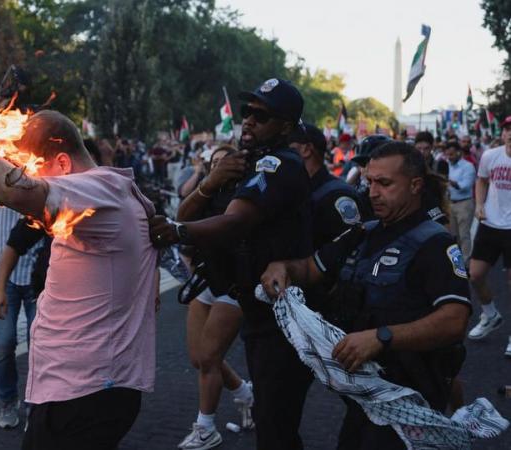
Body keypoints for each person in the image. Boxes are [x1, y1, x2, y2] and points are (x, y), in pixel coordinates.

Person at [0, 109, 158, 449]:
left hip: (85, 392)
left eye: (35, 169)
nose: (32, 177)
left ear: (62, 162)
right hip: (88, 387)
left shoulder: (95, 188)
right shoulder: (110, 193)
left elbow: (17, 192)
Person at [261, 141, 471, 449]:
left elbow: (454, 320)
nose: (372, 192)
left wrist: (381, 337)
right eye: (369, 181)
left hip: (409, 400)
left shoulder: (435, 244)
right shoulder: (364, 232)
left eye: (384, 183)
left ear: (415, 185)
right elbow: (310, 268)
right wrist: (281, 267)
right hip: (364, 397)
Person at [151, 78, 313, 450]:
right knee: (269, 419)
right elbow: (191, 208)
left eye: (262, 115)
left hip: (279, 316)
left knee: (275, 428)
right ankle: (242, 396)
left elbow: (237, 219)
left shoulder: (279, 165)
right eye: (247, 112)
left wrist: (177, 232)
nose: (249, 121)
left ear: (286, 127)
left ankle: (211, 423)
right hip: (247, 301)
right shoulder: (245, 163)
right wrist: (211, 180)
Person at [175, 145, 254, 450]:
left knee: (209, 358)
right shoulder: (204, 193)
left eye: (226, 162)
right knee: (199, 358)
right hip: (206, 282)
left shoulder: (243, 199)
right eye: (214, 163)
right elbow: (182, 218)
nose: (219, 167)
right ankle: (244, 392)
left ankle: (206, 427)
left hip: (233, 287)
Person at [0, 203, 45, 428]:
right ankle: (8, 401)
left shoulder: (42, 172)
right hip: (1, 270)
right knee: (3, 343)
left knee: (39, 345)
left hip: (37, 269)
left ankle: (35, 405)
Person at [466, 116, 511, 355]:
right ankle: (491, 314)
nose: (510, 133)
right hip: (491, 224)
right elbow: (482, 181)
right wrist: (479, 205)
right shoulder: (490, 156)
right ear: (502, 133)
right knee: (474, 275)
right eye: (507, 129)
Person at [444, 141, 476, 263]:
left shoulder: (468, 166)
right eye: (447, 155)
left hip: (464, 204)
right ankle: (456, 263)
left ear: (459, 153)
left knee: (464, 235)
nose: (449, 157)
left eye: (451, 154)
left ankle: (466, 263)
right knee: (453, 235)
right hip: (451, 203)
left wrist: (449, 181)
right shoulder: (448, 165)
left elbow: (465, 186)